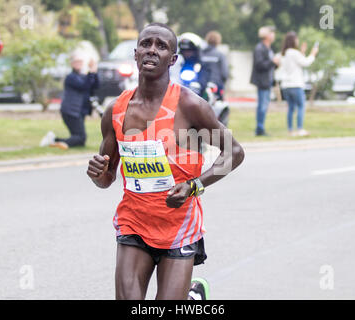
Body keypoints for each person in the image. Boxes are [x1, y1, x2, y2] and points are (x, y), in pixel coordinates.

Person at [86, 22, 244, 300]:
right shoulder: (116, 110)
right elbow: (107, 179)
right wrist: (98, 173)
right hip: (134, 222)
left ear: (172, 59)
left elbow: (234, 153)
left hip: (178, 226)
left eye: (161, 46)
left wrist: (194, 186)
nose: (152, 50)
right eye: (146, 44)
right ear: (135, 53)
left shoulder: (190, 106)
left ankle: (193, 296)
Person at [40, 54, 99, 149]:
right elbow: (84, 86)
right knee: (80, 137)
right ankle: (53, 140)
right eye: (76, 62)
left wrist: (94, 71)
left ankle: (54, 140)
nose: (79, 64)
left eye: (80, 61)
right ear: (71, 64)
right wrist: (91, 72)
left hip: (79, 111)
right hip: (71, 111)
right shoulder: (70, 77)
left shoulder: (82, 76)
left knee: (79, 139)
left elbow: (95, 86)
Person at [279, 31, 318, 137]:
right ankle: (300, 129)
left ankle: (290, 130)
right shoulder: (294, 52)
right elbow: (305, 62)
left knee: (291, 108)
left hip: (286, 85)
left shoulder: (284, 53)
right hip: (295, 84)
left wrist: (302, 52)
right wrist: (313, 54)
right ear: (293, 40)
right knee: (301, 106)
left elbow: (297, 63)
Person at [250, 26, 280, 136]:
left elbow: (269, 66)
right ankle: (260, 129)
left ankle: (261, 127)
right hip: (262, 82)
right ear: (267, 35)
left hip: (268, 81)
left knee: (264, 105)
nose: (274, 35)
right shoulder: (260, 48)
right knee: (262, 106)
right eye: (272, 33)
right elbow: (259, 65)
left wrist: (275, 64)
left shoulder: (268, 49)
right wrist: (273, 62)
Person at [202, 30, 229, 100]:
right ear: (218, 41)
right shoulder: (220, 55)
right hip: (216, 86)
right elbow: (225, 73)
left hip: (202, 86)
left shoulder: (201, 54)